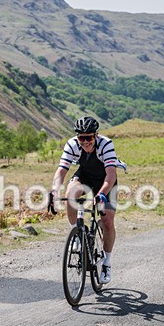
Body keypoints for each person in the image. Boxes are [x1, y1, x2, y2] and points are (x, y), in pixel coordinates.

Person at [48, 116, 119, 284]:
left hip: (106, 180)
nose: (85, 141)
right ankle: (77, 234)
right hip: (86, 175)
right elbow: (62, 171)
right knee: (71, 194)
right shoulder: (72, 144)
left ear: (96, 135)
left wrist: (101, 193)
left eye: (89, 137)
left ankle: (107, 263)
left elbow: (111, 174)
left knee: (107, 220)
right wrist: (54, 191)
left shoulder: (106, 144)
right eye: (82, 138)